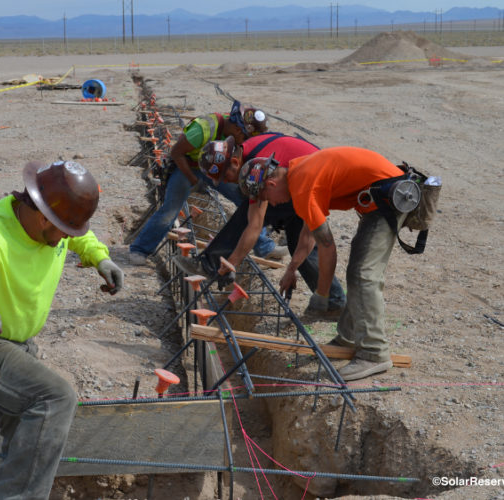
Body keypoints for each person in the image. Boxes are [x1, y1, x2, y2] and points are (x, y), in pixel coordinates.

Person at [0, 160, 124, 499]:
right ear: (44, 216)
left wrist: (100, 258)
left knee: (26, 437)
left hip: (15, 342)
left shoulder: (49, 225)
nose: (65, 240)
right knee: (55, 398)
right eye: (63, 231)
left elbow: (78, 238)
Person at [237, 146, 409, 381]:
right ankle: (347, 338)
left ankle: (374, 352)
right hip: (379, 199)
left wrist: (322, 295)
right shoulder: (299, 172)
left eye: (267, 199)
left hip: (390, 198)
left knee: (363, 274)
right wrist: (291, 269)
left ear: (271, 184)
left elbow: (327, 248)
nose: (273, 205)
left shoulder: (302, 187)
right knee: (357, 271)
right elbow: (308, 235)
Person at [175, 133, 346, 314]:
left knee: (248, 216)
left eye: (226, 177)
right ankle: (333, 302)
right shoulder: (251, 156)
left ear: (234, 162)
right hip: (300, 184)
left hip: (312, 183)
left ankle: (210, 265)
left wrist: (231, 262)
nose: (226, 183)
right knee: (299, 243)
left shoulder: (258, 169)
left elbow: (254, 225)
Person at [128, 100, 285, 264]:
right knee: (170, 209)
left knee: (247, 200)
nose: (243, 141)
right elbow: (176, 152)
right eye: (244, 137)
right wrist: (194, 180)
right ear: (238, 129)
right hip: (188, 166)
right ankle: (140, 250)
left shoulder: (238, 135)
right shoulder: (204, 128)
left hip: (219, 170)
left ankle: (265, 248)